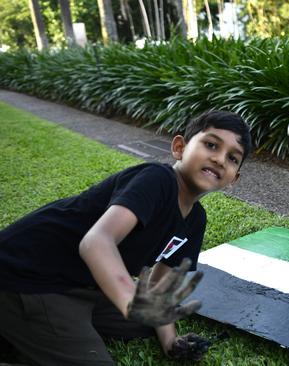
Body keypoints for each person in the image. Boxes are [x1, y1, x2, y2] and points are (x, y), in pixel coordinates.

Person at [0, 110, 252, 364]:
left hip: (82, 285)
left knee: (146, 325)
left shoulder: (196, 220)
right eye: (211, 145)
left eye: (232, 158)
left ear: (234, 178)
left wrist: (171, 342)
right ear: (179, 147)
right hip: (30, 276)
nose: (220, 159)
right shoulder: (157, 179)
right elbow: (96, 242)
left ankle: (31, 335)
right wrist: (131, 301)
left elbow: (157, 292)